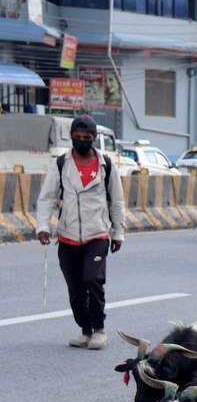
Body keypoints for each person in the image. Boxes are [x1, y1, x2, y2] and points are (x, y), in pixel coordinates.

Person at [35, 114, 126, 350]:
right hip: (67, 237)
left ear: (94, 138)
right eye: (77, 137)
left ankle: (99, 329)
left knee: (93, 280)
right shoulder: (61, 164)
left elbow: (117, 201)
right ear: (72, 138)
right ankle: (85, 330)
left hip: (97, 234)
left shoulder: (106, 165)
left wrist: (118, 233)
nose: (82, 141)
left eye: (87, 137)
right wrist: (43, 226)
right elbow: (47, 198)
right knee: (75, 289)